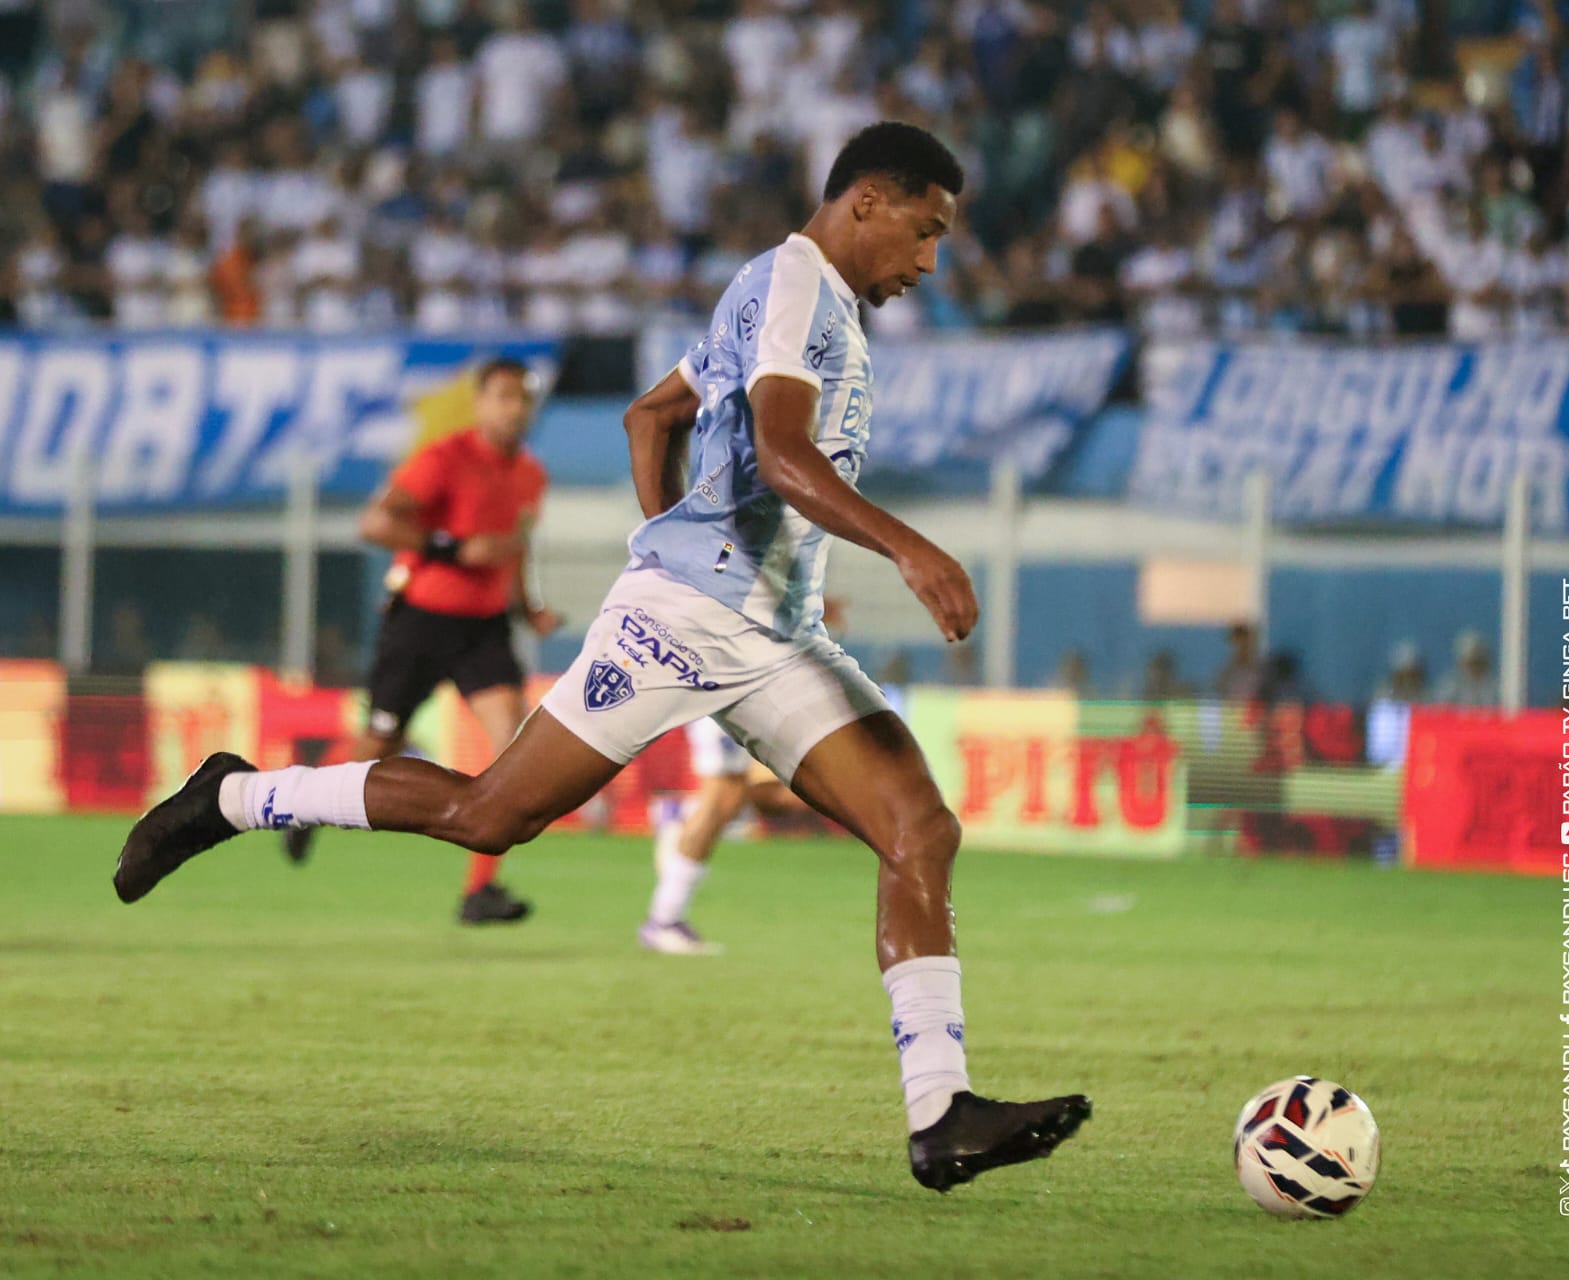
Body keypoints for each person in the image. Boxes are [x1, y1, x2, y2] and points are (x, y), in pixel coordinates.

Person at [113, 122, 1091, 1192]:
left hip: (770, 631)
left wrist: (686, 530)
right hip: (683, 619)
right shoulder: (798, 285)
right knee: (489, 814)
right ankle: (237, 797)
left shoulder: (800, 299)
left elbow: (652, 412)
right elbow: (779, 450)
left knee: (919, 828)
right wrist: (898, 545)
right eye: (924, 230)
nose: (929, 262)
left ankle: (941, 1112)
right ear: (866, 200)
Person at [280, 356, 562, 924]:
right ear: (480, 403)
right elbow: (375, 523)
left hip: (483, 628)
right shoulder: (444, 458)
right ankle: (301, 798)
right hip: (422, 620)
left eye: (523, 398)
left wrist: (527, 606)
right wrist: (454, 549)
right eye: (504, 396)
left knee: (514, 745)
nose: (515, 408)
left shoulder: (531, 474)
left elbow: (515, 545)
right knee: (380, 742)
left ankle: (480, 890)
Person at [639, 717, 812, 956]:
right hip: (722, 698)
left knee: (754, 796)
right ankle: (664, 920)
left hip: (743, 699)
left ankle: (684, 812)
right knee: (723, 796)